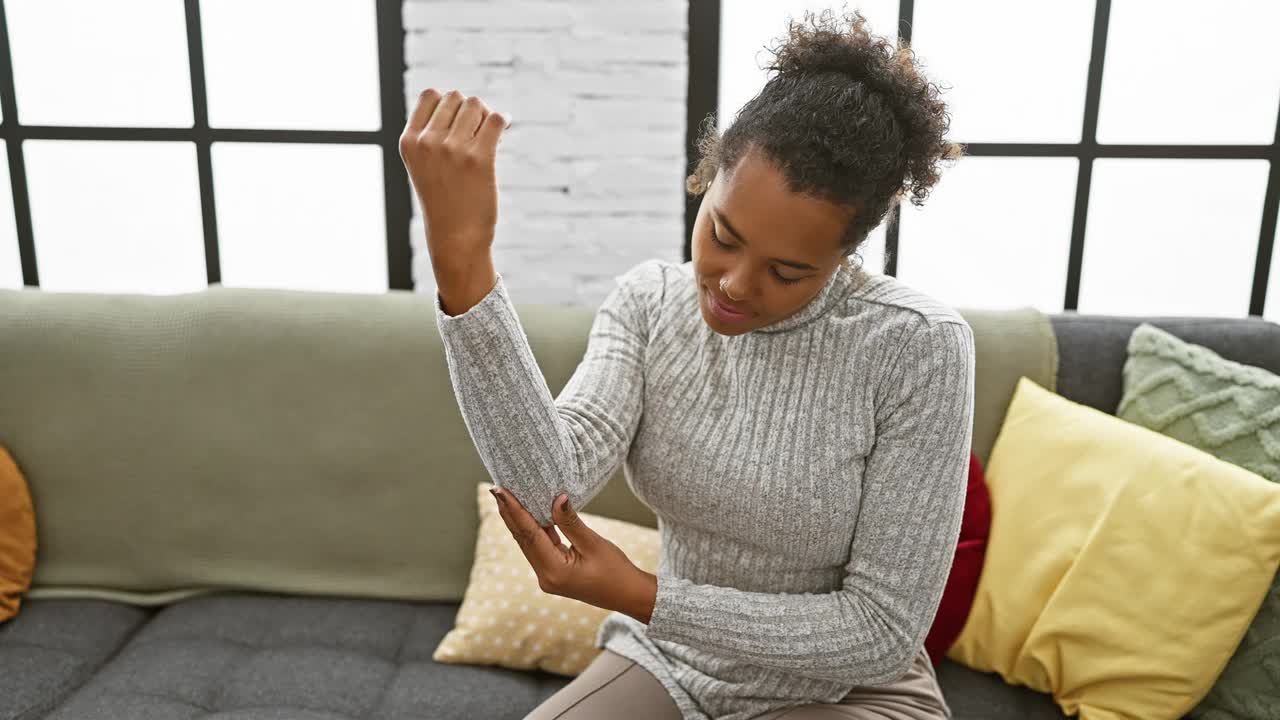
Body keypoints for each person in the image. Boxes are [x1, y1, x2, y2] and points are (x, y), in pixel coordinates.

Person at [399, 7, 973, 720]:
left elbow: (879, 632)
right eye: (723, 236)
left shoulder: (916, 346)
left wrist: (642, 594)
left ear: (845, 255)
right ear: (708, 176)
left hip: (853, 691)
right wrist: (464, 264)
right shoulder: (649, 305)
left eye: (788, 271)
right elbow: (545, 482)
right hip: (675, 664)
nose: (735, 284)